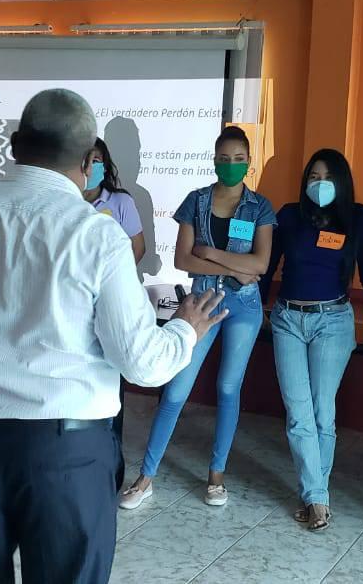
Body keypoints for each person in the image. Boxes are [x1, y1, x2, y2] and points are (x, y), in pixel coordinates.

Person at [0, 88, 225, 583]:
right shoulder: (97, 235)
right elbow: (142, 363)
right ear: (87, 161)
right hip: (70, 454)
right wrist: (185, 331)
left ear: (14, 144)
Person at [120, 125, 276, 510]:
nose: (231, 165)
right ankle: (146, 477)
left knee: (228, 388)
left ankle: (216, 475)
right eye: (224, 158)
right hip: (201, 301)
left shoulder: (260, 206)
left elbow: (260, 264)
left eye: (238, 159)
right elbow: (182, 259)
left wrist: (211, 253)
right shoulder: (196, 200)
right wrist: (234, 266)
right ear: (214, 160)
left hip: (244, 305)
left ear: (249, 162)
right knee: (176, 389)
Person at [259, 148, 363, 532]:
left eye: (328, 177)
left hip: (332, 321)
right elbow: (268, 267)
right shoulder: (289, 215)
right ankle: (317, 497)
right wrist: (256, 308)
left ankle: (315, 495)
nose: (320, 184)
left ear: (342, 182)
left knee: (321, 412)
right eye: (314, 177)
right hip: (288, 319)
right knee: (298, 413)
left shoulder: (360, 218)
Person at [83, 137, 146, 491]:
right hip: (75, 306)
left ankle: (111, 468)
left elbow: (138, 247)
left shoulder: (120, 202)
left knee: (111, 388)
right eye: (87, 159)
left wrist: (111, 279)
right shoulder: (64, 199)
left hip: (111, 304)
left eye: (98, 160)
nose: (93, 166)